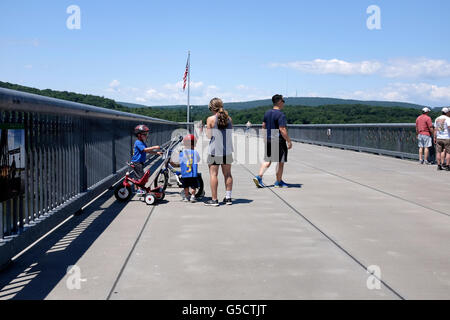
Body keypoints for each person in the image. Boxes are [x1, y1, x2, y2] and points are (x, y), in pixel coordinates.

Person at [253, 94, 292, 188]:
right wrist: (289, 141)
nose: (284, 103)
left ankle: (259, 177)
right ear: (279, 102)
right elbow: (282, 129)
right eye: (283, 101)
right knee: (280, 162)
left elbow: (263, 126)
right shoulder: (280, 114)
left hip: (270, 138)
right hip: (278, 139)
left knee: (268, 160)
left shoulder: (267, 113)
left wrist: (265, 138)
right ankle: (278, 182)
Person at [205, 97, 233, 206]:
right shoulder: (229, 119)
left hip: (214, 150)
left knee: (213, 174)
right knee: (228, 174)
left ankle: (214, 199)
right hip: (227, 150)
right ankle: (228, 198)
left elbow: (208, 136)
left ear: (212, 108)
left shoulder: (210, 119)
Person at [131, 124, 163, 194]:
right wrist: (155, 147)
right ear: (139, 135)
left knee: (137, 176)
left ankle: (136, 189)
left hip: (140, 162)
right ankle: (139, 190)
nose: (146, 136)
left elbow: (148, 151)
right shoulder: (138, 142)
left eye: (146, 134)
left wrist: (156, 153)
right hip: (137, 162)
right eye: (144, 134)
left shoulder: (142, 142)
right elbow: (145, 150)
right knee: (141, 177)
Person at [179, 134, 201, 202]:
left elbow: (180, 161)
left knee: (186, 186)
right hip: (193, 174)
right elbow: (198, 159)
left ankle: (186, 197)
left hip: (185, 174)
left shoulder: (182, 153)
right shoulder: (195, 152)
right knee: (193, 186)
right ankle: (193, 196)